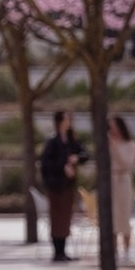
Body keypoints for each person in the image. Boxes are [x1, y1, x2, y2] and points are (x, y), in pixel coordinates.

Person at [40, 109, 88, 261]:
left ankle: (63, 251)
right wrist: (63, 167)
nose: (69, 122)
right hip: (56, 186)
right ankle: (57, 251)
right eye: (66, 119)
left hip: (68, 186)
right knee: (56, 218)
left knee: (66, 218)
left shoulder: (72, 140)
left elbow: (85, 154)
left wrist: (76, 159)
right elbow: (46, 163)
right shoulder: (53, 141)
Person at [108, 115, 135, 258]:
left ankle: (127, 248)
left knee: (124, 215)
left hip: (124, 180)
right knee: (112, 216)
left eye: (115, 127)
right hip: (111, 179)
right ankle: (113, 250)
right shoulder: (107, 145)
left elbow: (126, 163)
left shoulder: (130, 144)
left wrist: (115, 147)